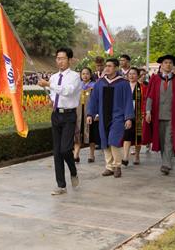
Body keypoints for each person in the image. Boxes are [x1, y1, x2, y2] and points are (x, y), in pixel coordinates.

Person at [37, 48, 81, 195]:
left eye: (62, 58)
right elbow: (54, 94)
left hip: (69, 116)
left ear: (69, 60)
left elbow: (67, 91)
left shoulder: (75, 76)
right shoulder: (54, 77)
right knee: (57, 152)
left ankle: (73, 171)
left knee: (65, 149)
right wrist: (51, 99)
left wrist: (48, 84)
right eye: (58, 58)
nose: (59, 61)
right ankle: (61, 185)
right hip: (56, 115)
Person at [87, 58, 134, 178]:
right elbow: (94, 100)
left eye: (110, 66)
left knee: (114, 140)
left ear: (116, 68)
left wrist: (128, 117)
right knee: (105, 142)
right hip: (103, 117)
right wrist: (90, 114)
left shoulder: (123, 83)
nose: (106, 68)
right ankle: (109, 167)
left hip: (118, 117)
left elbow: (128, 101)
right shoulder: (100, 83)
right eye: (106, 66)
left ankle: (117, 166)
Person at [143, 54, 175, 175]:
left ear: (173, 65)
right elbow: (150, 96)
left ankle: (166, 164)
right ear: (161, 65)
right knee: (162, 140)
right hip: (158, 114)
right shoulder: (155, 79)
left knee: (169, 139)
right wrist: (148, 112)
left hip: (173, 115)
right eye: (165, 63)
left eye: (170, 63)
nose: (168, 65)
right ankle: (166, 161)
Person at [122, 67, 145, 166]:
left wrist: (144, 113)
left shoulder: (142, 87)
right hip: (126, 114)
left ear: (138, 75)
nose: (131, 76)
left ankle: (137, 156)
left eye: (134, 74)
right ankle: (125, 157)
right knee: (126, 135)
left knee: (137, 136)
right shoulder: (124, 87)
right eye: (130, 74)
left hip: (138, 114)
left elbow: (145, 101)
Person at [74, 67, 96, 163]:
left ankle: (91, 155)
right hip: (78, 114)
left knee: (91, 134)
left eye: (87, 73)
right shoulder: (78, 86)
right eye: (83, 74)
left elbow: (96, 101)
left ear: (90, 75)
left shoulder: (94, 86)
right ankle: (76, 154)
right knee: (77, 133)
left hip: (89, 114)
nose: (85, 75)